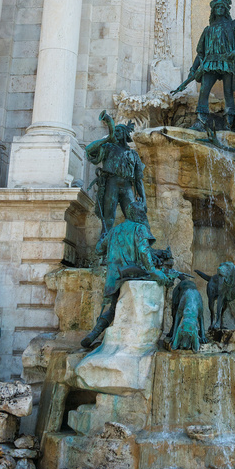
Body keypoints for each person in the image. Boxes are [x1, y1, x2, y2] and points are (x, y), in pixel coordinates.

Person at [80, 203, 177, 349]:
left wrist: (106, 237)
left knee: (112, 308)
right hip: (132, 273)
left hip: (114, 278)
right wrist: (153, 271)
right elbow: (144, 251)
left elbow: (99, 249)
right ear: (138, 214)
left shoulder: (115, 230)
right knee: (165, 278)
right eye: (142, 213)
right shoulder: (140, 228)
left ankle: (94, 334)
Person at [173, 0, 235, 129]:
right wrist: (193, 69)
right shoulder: (208, 30)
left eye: (222, 7)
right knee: (204, 89)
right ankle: (202, 116)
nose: (219, 9)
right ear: (213, 10)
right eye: (217, 7)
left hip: (227, 62)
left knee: (228, 91)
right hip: (210, 63)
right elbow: (200, 52)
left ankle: (230, 117)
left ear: (226, 10)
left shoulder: (234, 25)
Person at [85, 110, 147, 236]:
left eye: (119, 131)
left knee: (133, 217)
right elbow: (88, 150)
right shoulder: (108, 148)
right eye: (115, 131)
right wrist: (108, 138)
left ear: (125, 135)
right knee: (108, 218)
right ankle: (105, 246)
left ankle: (133, 246)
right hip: (111, 184)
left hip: (127, 186)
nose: (116, 134)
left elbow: (138, 180)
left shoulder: (133, 154)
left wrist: (143, 199)